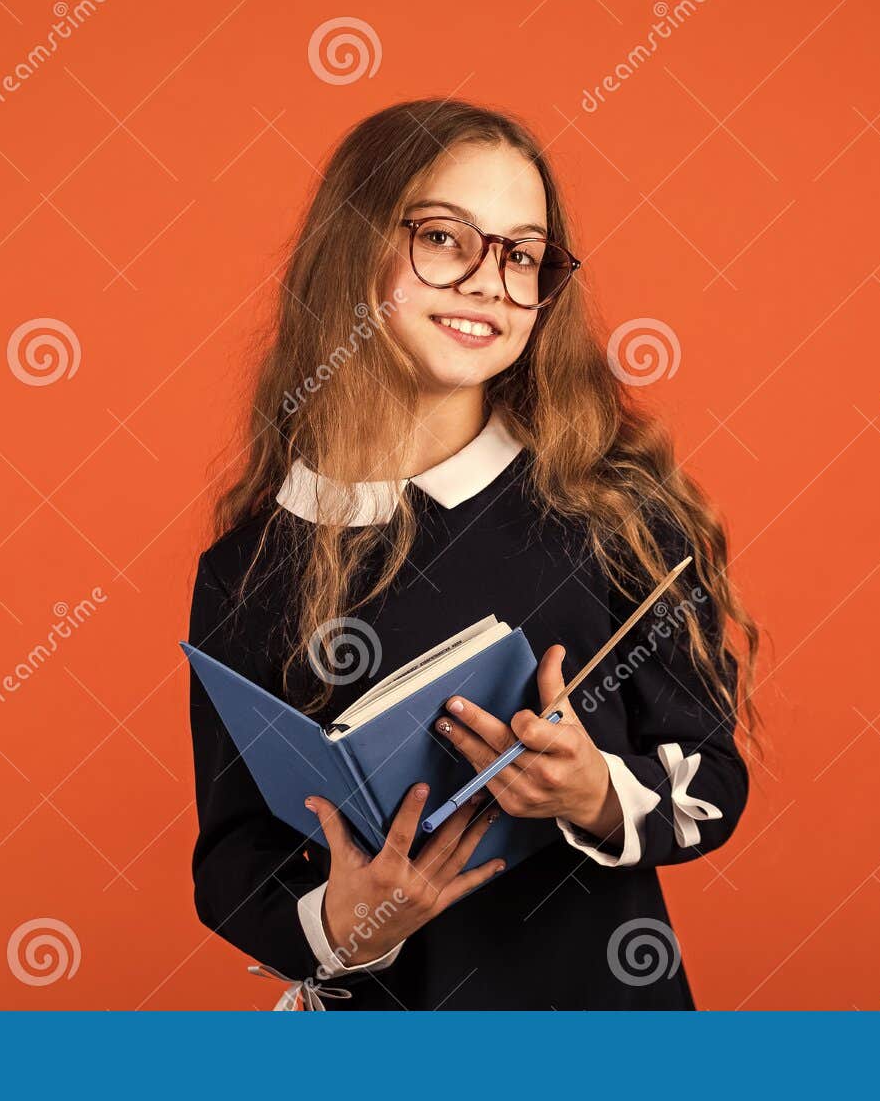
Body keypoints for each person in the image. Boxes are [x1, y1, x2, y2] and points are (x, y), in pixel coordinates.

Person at [186, 97, 765, 1009]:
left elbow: (712, 779)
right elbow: (231, 861)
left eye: (523, 254)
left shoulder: (611, 511)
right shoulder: (250, 567)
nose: (492, 282)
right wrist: (344, 921)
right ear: (354, 250)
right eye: (448, 240)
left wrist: (595, 796)